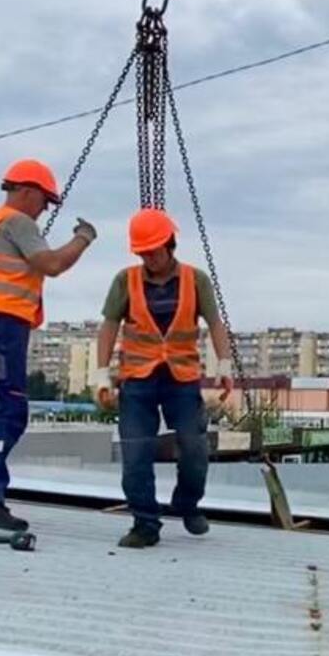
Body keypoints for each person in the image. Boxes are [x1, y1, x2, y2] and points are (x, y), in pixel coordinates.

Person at [0, 159, 96, 530]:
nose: (45, 209)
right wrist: (84, 238)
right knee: (5, 410)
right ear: (27, 192)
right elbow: (53, 264)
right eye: (45, 201)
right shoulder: (17, 222)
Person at [94, 208, 235, 549]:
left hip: (181, 378)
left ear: (169, 245)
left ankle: (187, 503)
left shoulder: (195, 279)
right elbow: (109, 326)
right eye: (142, 253)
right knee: (136, 453)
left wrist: (225, 366)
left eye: (153, 251)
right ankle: (145, 523)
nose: (149, 258)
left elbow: (215, 323)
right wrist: (101, 376)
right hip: (137, 380)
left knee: (194, 446)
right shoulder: (124, 281)